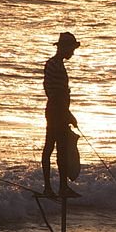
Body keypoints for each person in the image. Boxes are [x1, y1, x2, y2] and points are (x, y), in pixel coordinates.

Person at [42, 31, 81, 198]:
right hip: (57, 112)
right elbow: (57, 95)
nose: (72, 53)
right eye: (71, 49)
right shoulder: (55, 65)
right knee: (58, 149)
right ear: (64, 48)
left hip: (54, 111)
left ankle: (52, 188)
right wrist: (68, 115)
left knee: (52, 148)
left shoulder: (54, 64)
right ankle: (58, 188)